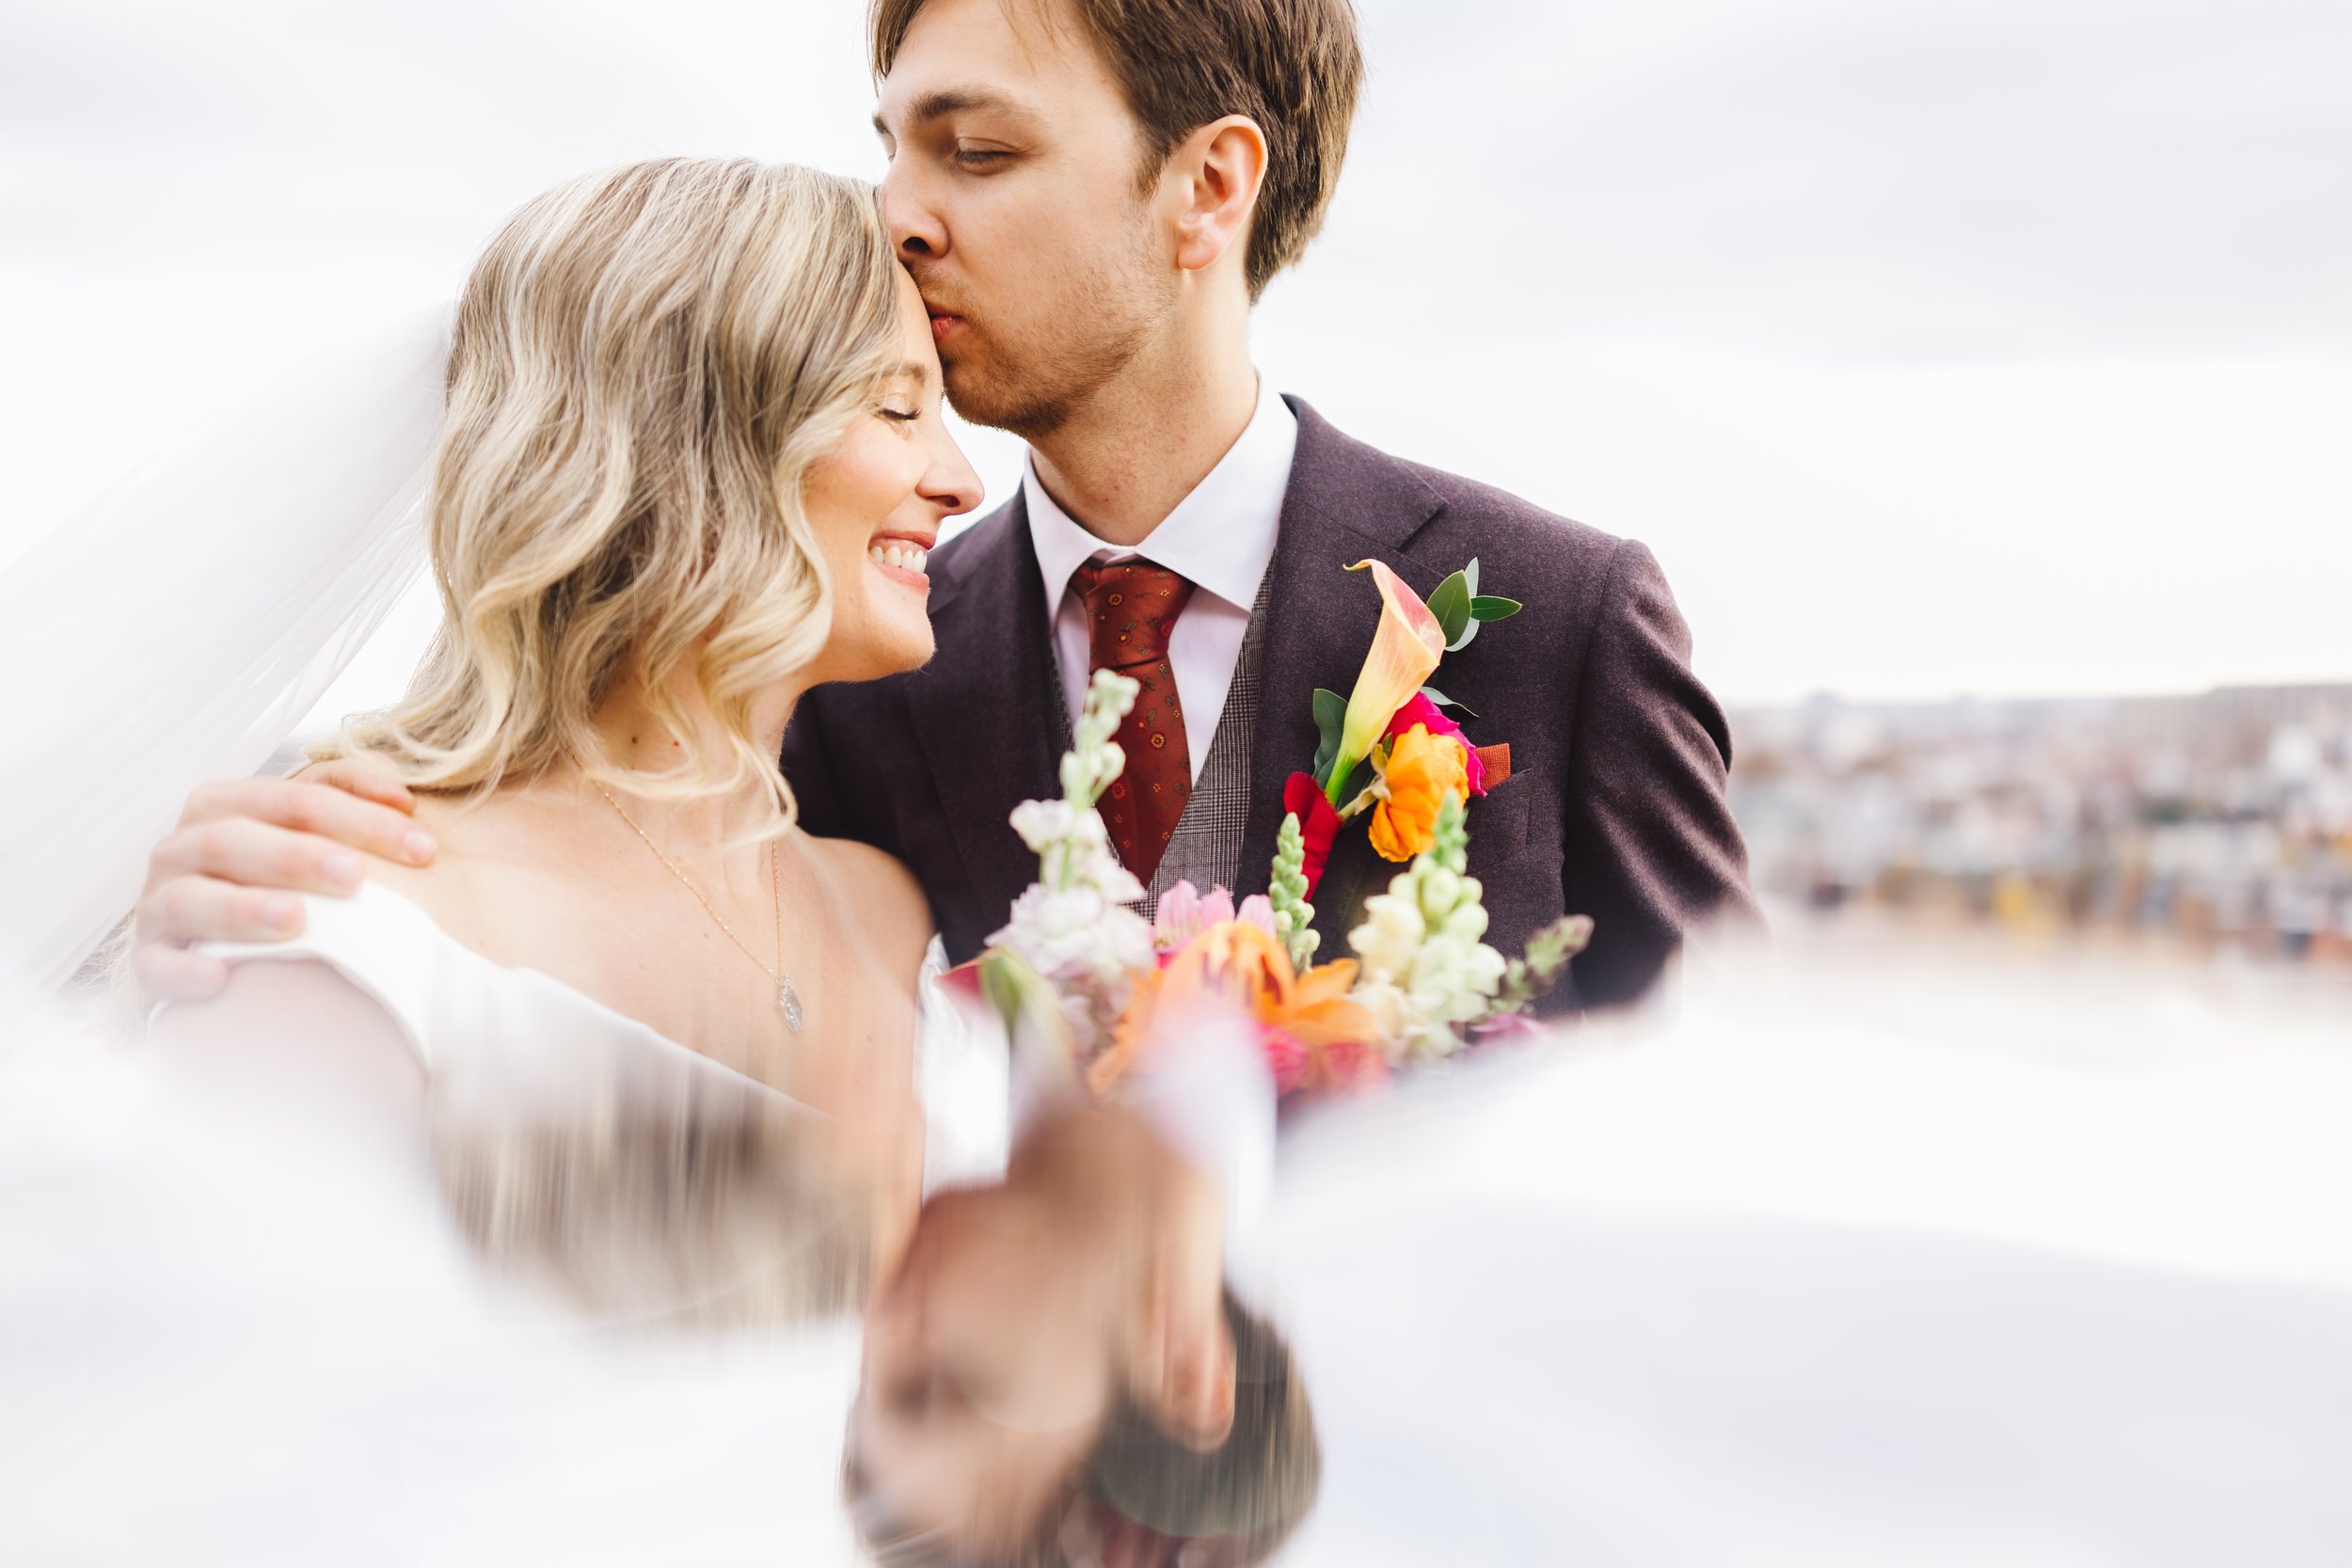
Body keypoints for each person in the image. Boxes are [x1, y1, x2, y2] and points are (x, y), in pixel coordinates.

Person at [129, 0, 1758, 1019]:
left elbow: (1730, 1147)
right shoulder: (838, 662)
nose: (898, 218)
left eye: (974, 151)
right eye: (892, 148)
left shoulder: (1564, 623)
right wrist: (260, 904)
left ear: (1209, 187)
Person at [147, 155, 992, 1279]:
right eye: (898, 406)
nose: (962, 478)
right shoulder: (353, 918)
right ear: (689, 448)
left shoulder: (896, 915)